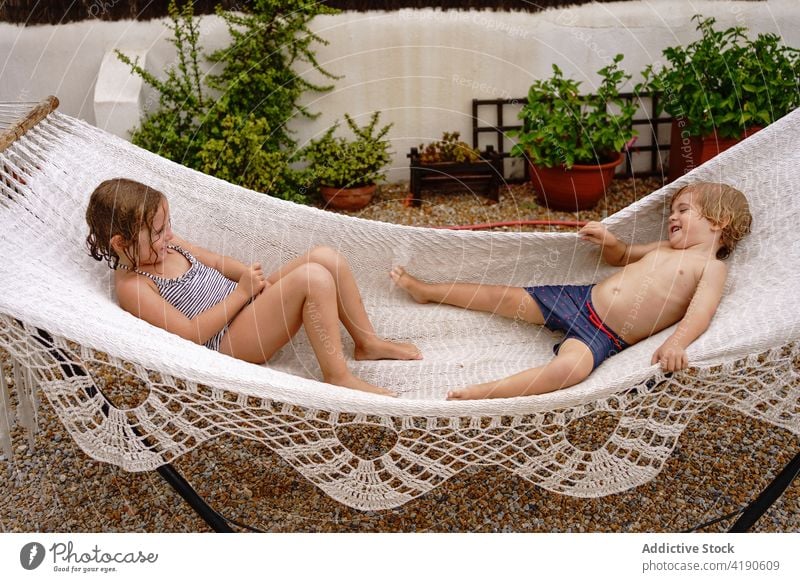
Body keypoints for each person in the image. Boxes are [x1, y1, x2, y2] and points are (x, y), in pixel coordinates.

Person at [391, 182, 751, 400]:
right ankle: (427, 290)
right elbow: (621, 256)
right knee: (504, 297)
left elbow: (700, 312)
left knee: (570, 371)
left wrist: (676, 344)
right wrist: (609, 240)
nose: (672, 217)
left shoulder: (711, 268)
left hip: (604, 336)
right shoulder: (664, 248)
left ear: (719, 221)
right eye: (672, 211)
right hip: (581, 300)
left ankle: (484, 392)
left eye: (683, 211)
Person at [86, 178, 420, 397]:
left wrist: (246, 276)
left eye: (167, 225)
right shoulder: (134, 285)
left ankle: (367, 341)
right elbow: (189, 334)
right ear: (120, 242)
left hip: (247, 305)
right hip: (229, 341)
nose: (169, 235)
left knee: (325, 257)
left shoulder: (170, 246)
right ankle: (338, 376)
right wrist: (242, 294)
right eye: (158, 232)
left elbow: (215, 263)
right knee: (313, 278)